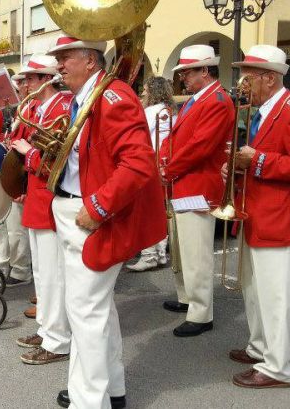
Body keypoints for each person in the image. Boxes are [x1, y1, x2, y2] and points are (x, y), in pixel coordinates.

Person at [22, 35, 165, 409]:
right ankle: (109, 390)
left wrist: (98, 207)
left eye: (65, 57)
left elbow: (138, 165)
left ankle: (90, 401)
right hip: (75, 212)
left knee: (85, 311)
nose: (59, 64)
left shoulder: (112, 97)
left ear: (89, 60)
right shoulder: (82, 98)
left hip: (92, 217)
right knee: (93, 309)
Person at [227, 45, 290, 389]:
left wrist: (258, 160)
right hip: (259, 214)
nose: (242, 84)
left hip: (280, 219)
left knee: (274, 295)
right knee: (255, 290)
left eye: (248, 77)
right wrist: (239, 166)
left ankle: (277, 367)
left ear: (269, 78)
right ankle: (260, 348)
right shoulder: (264, 109)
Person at [158, 44, 235, 337]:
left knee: (197, 252)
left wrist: (169, 168)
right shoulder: (199, 99)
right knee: (182, 248)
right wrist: (165, 159)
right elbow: (178, 138)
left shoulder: (216, 100)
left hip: (199, 185)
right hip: (185, 182)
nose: (183, 78)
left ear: (205, 70)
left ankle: (201, 313)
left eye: (188, 72)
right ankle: (187, 297)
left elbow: (200, 147)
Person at [10, 54, 76, 368]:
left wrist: (28, 152)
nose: (24, 85)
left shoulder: (62, 107)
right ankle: (48, 329)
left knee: (53, 274)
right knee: (42, 273)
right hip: (37, 195)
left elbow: (59, 159)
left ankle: (58, 339)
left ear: (44, 80)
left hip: (49, 197)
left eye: (29, 79)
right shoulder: (40, 108)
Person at [127, 77, 177, 272]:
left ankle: (149, 256)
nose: (143, 94)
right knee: (161, 211)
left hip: (149, 165)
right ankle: (161, 253)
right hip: (166, 164)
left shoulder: (150, 112)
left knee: (147, 212)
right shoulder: (171, 111)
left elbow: (138, 134)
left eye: (146, 91)